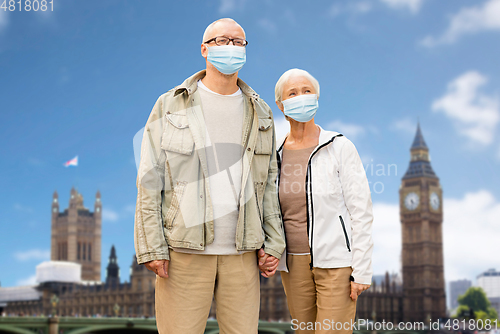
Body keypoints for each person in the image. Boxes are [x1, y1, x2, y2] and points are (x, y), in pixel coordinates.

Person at [134, 18, 285, 334]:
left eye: (238, 42)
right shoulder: (170, 103)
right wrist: (151, 247)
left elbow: (268, 183)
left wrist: (274, 241)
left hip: (243, 254)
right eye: (221, 41)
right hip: (184, 253)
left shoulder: (262, 112)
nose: (230, 47)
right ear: (204, 49)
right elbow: (149, 179)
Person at [272, 68, 374, 333]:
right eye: (293, 93)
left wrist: (361, 269)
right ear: (281, 105)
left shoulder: (339, 146)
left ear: (317, 97)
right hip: (293, 266)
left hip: (335, 264)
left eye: (307, 91)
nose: (301, 97)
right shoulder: (274, 154)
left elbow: (361, 211)